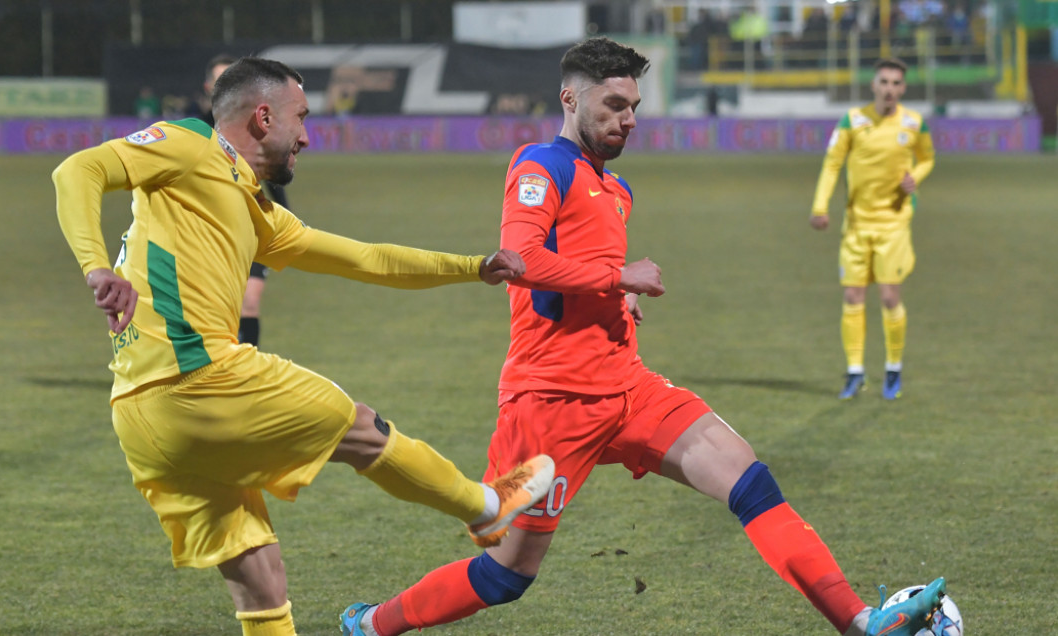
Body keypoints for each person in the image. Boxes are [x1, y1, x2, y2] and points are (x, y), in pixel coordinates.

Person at [341, 38, 944, 636]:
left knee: (748, 479)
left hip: (628, 387)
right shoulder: (539, 165)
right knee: (506, 577)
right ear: (570, 98)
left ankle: (860, 621)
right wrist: (616, 275)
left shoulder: (618, 189)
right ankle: (373, 625)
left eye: (633, 105)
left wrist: (618, 297)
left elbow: (577, 270)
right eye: (612, 104)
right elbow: (517, 259)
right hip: (550, 404)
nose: (627, 119)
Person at [52, 56, 556, 636]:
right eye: (302, 118)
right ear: (263, 118)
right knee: (360, 426)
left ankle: (484, 512)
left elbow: (367, 259)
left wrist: (474, 267)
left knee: (259, 580)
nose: (308, 138)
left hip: (140, 418)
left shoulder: (256, 210)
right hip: (198, 378)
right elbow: (76, 172)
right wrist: (95, 267)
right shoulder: (192, 144)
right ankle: (489, 512)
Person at [810, 57, 935, 400]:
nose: (890, 89)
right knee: (852, 296)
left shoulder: (914, 123)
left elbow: (927, 158)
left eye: (896, 83)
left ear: (903, 88)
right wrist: (820, 206)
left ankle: (893, 368)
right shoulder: (853, 120)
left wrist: (916, 178)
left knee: (890, 295)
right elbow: (832, 163)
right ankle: (855, 373)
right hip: (857, 225)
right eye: (884, 82)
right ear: (874, 85)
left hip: (894, 223)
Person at [201, 53, 275, 346]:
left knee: (250, 303)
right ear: (208, 86)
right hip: (212, 230)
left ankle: (250, 374)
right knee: (220, 309)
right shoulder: (195, 128)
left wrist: (286, 217)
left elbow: (272, 177)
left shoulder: (256, 128)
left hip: (253, 227)